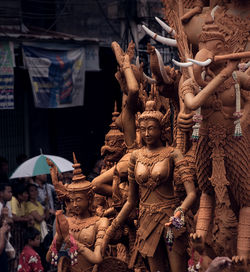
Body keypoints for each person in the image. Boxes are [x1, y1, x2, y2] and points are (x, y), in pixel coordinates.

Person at [103, 100, 196, 272]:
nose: (146, 133)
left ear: (162, 129)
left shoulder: (173, 153)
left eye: (151, 128)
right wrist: (113, 227)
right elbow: (131, 201)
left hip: (170, 218)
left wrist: (180, 212)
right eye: (142, 129)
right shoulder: (135, 156)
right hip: (146, 221)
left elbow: (191, 194)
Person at [46, 154, 110, 272]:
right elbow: (50, 258)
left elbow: (97, 258)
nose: (74, 204)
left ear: (89, 198)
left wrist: (72, 242)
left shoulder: (100, 222)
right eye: (72, 200)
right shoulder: (67, 222)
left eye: (79, 200)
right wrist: (59, 238)